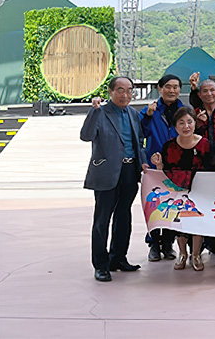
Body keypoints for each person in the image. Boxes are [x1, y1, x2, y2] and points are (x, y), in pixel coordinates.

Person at [81, 77, 147, 282]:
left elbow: (139, 142)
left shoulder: (133, 114)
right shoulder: (100, 112)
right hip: (107, 172)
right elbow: (86, 135)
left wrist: (143, 162)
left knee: (124, 215)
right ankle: (100, 265)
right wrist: (93, 111)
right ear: (110, 92)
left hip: (129, 170)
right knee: (102, 219)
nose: (125, 95)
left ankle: (118, 258)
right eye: (120, 90)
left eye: (129, 90)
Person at [151, 107, 215, 272]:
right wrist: (158, 165)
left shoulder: (205, 144)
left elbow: (212, 168)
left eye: (189, 122)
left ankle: (196, 255)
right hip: (177, 191)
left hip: (200, 191)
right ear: (175, 126)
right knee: (180, 223)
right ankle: (182, 254)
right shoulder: (169, 146)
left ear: (195, 123)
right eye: (181, 123)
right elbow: (165, 172)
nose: (186, 126)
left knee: (197, 222)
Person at [140, 74, 184, 262]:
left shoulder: (184, 110)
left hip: (177, 166)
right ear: (160, 89)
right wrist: (148, 116)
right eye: (168, 87)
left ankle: (168, 243)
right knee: (154, 204)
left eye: (175, 87)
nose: (172, 90)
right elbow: (140, 133)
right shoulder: (150, 110)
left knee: (173, 204)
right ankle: (154, 244)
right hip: (154, 166)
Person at [191, 77, 215, 144]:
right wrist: (197, 125)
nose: (209, 94)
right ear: (199, 94)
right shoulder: (194, 114)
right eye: (205, 91)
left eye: (212, 90)